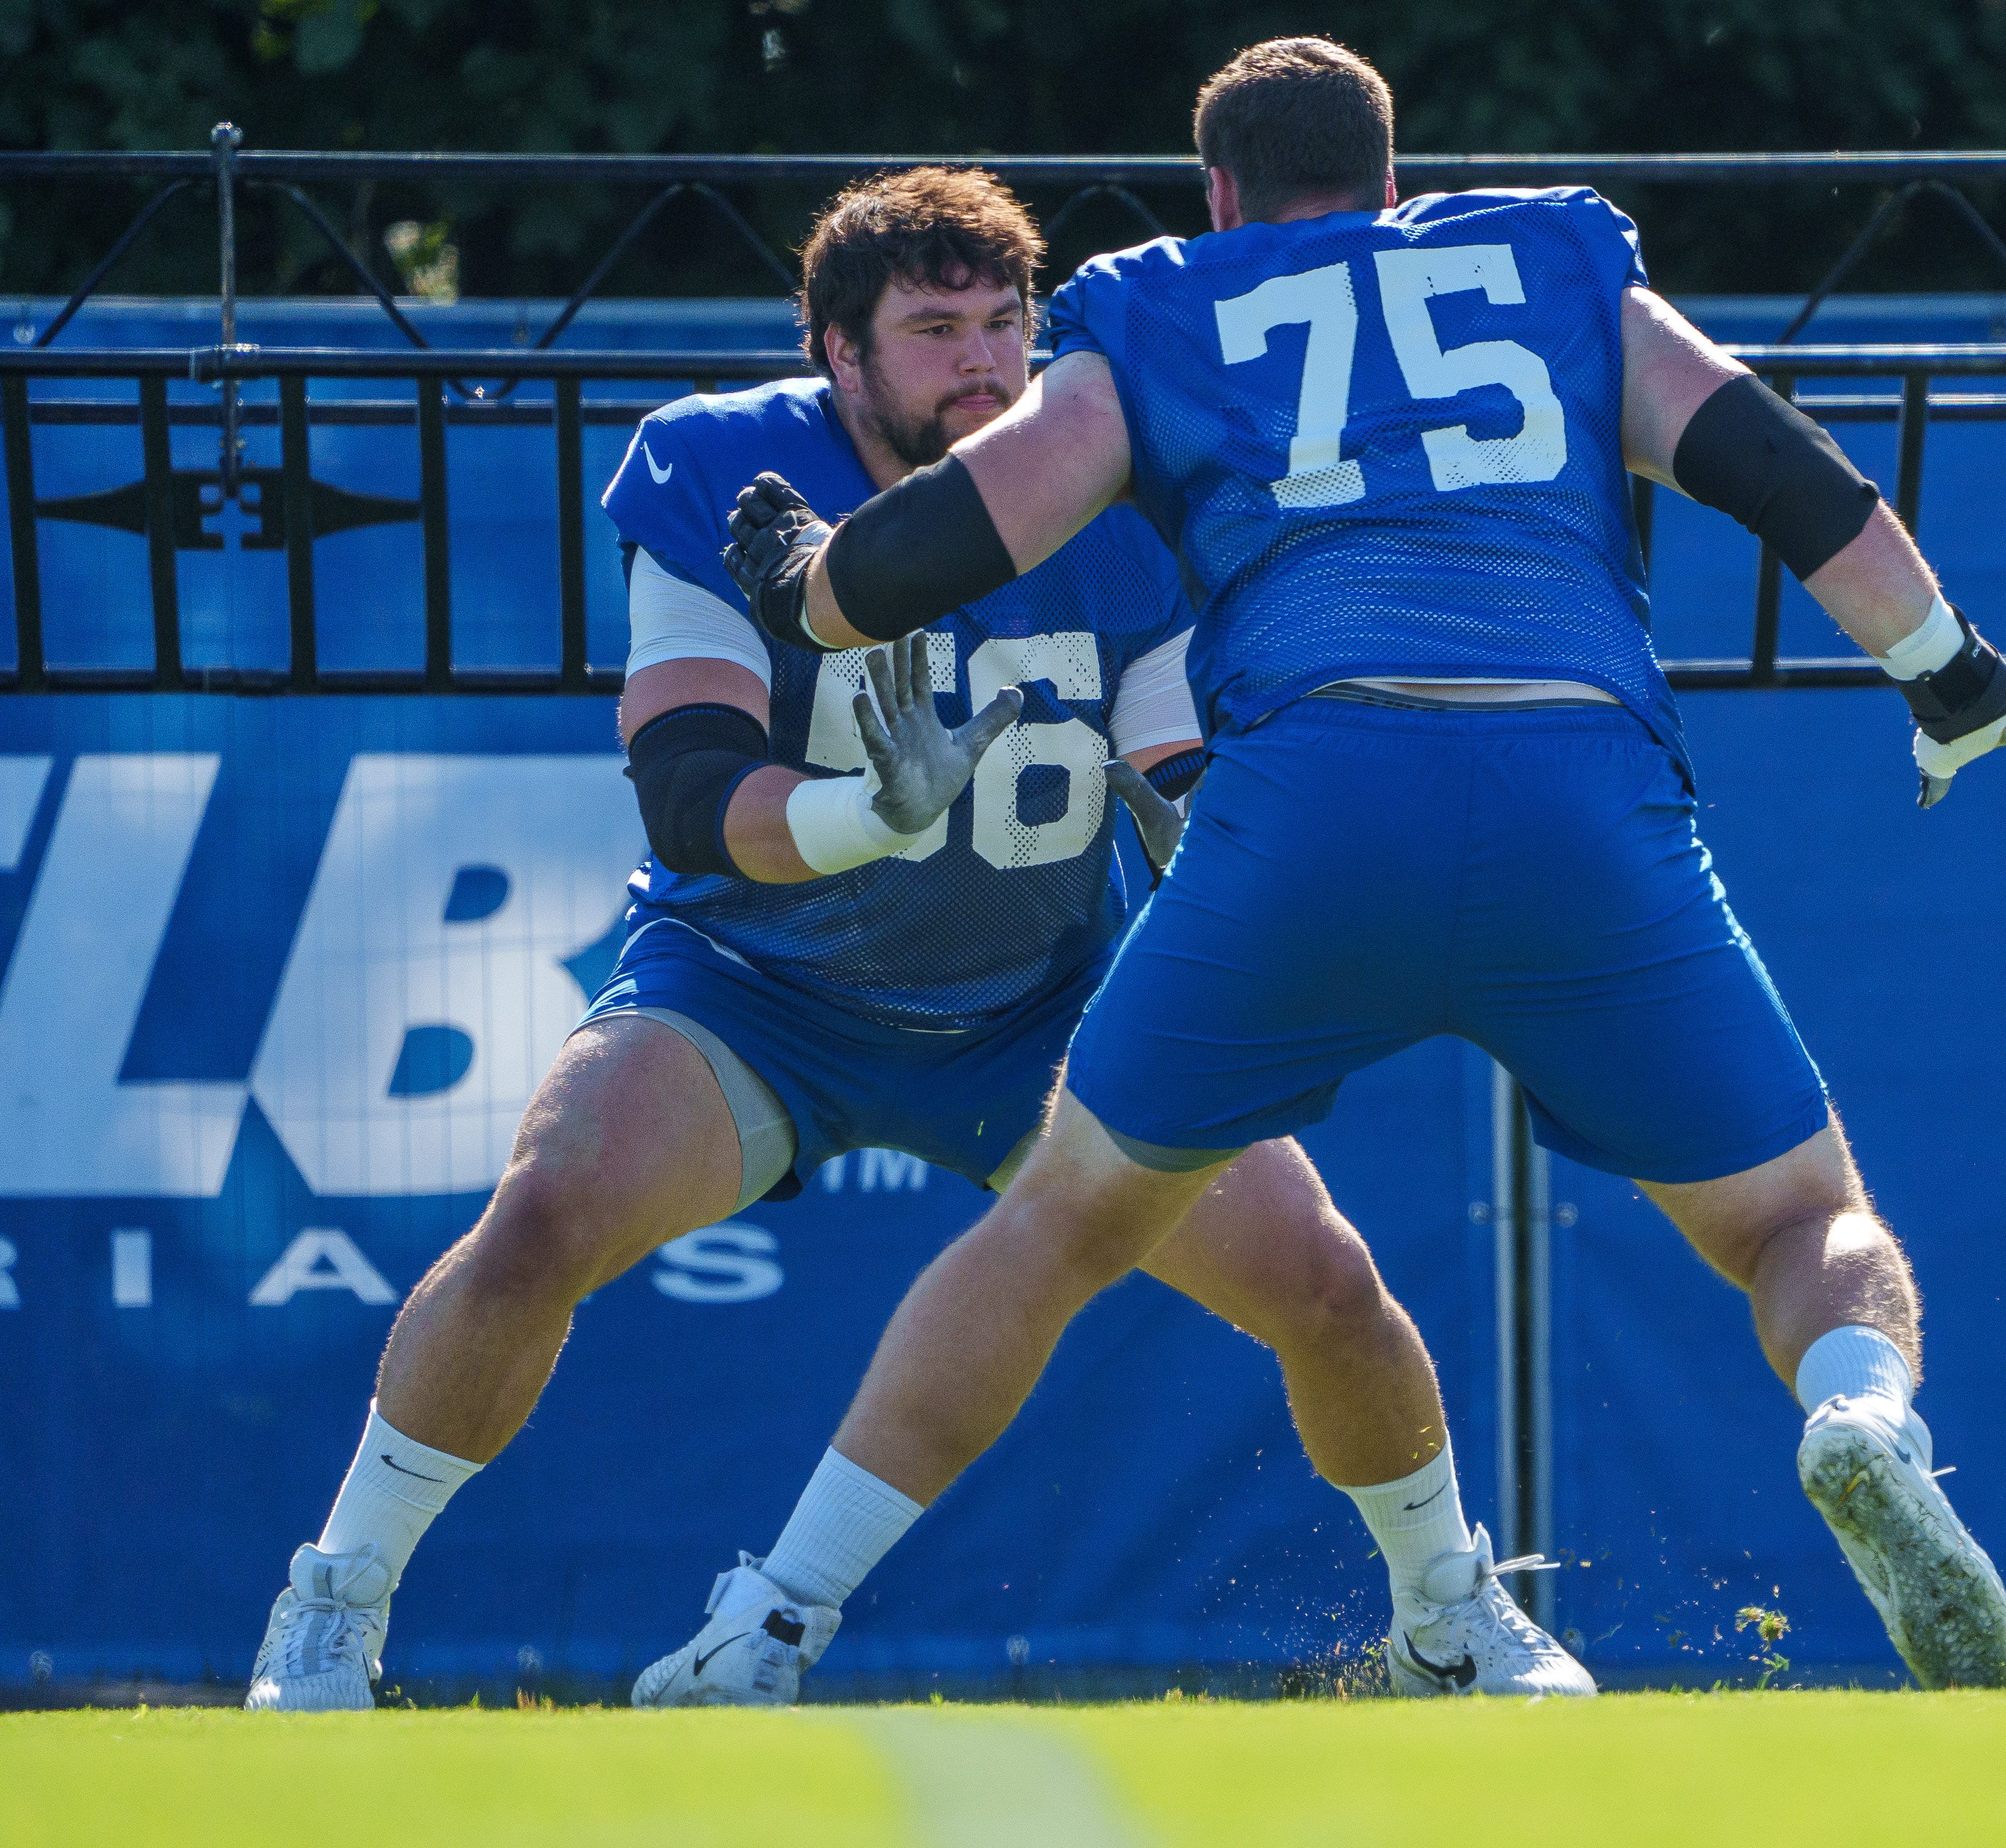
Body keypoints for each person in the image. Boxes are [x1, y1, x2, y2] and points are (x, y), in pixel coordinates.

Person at [717, 40, 2006, 1692]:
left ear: (1218, 194)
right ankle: (1861, 1416)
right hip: (1577, 788)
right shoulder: (1547, 259)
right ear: (1394, 180)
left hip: (1312, 793)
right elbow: (1769, 460)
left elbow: (967, 523)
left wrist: (810, 587)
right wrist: (1941, 672)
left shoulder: (1159, 299)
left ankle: (775, 1621)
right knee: (1799, 1219)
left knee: (1061, 1224)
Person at [244, 166, 1588, 1714]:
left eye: (1005, 322)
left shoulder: (1111, 477)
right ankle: (334, 1602)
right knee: (547, 1209)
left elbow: (1176, 766)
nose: (984, 362)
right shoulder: (719, 467)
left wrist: (1282, 851)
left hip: (1046, 1006)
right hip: (756, 985)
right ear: (837, 352)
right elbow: (686, 789)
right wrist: (851, 822)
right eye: (935, 328)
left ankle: (1448, 1610)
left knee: (1324, 1281)